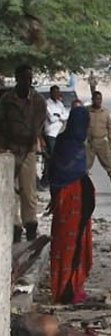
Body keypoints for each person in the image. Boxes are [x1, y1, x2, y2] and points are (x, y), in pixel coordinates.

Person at [48, 104, 95, 304]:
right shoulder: (70, 145)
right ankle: (66, 287)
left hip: (71, 203)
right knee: (68, 246)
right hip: (70, 204)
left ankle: (73, 286)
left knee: (72, 245)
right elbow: (65, 174)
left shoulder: (68, 143)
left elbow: (54, 175)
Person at [0, 64, 47, 243]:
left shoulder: (38, 101)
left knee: (28, 190)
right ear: (17, 78)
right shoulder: (6, 100)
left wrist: (27, 147)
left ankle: (30, 224)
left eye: (30, 78)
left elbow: (37, 126)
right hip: (8, 150)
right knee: (9, 190)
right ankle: (14, 225)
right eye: (24, 78)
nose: (27, 81)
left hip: (27, 149)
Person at [87, 91, 111, 196]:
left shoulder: (105, 112)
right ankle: (83, 189)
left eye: (100, 99)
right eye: (96, 99)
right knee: (84, 167)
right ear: (92, 100)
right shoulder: (87, 111)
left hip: (102, 142)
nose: (98, 101)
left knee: (110, 166)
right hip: (90, 143)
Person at [41, 85, 69, 190]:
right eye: (55, 92)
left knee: (57, 158)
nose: (57, 94)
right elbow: (51, 118)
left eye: (58, 92)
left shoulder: (60, 104)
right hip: (50, 134)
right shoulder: (47, 104)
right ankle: (46, 181)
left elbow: (65, 115)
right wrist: (58, 116)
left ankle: (51, 179)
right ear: (51, 93)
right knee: (52, 158)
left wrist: (58, 115)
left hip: (59, 133)